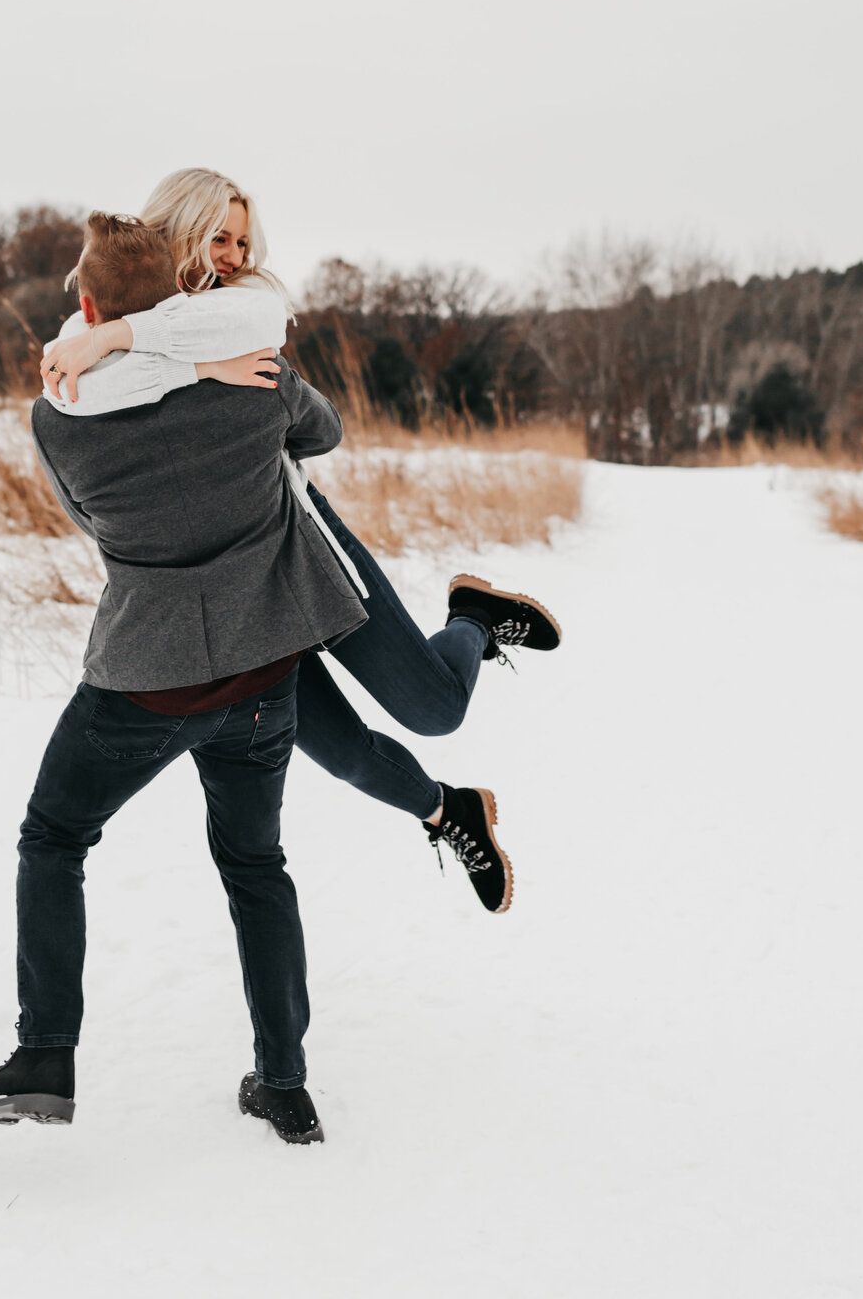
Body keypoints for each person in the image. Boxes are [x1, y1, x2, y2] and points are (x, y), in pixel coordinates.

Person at [0, 214, 368, 1145]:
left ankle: (46, 1056)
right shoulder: (261, 387)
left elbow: (89, 523)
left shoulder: (57, 418)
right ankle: (286, 1084)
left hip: (145, 681)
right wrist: (217, 370)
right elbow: (326, 432)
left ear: (90, 308)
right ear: (186, 302)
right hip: (263, 676)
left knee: (53, 839)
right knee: (257, 866)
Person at [40, 168, 562, 917]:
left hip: (305, 553)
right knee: (345, 755)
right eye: (217, 235)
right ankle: (449, 812)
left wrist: (241, 390)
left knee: (435, 711)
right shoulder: (97, 350)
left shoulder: (245, 321)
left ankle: (473, 618)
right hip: (235, 602)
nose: (231, 253)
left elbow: (323, 429)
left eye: (242, 240)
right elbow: (81, 463)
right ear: (173, 231)